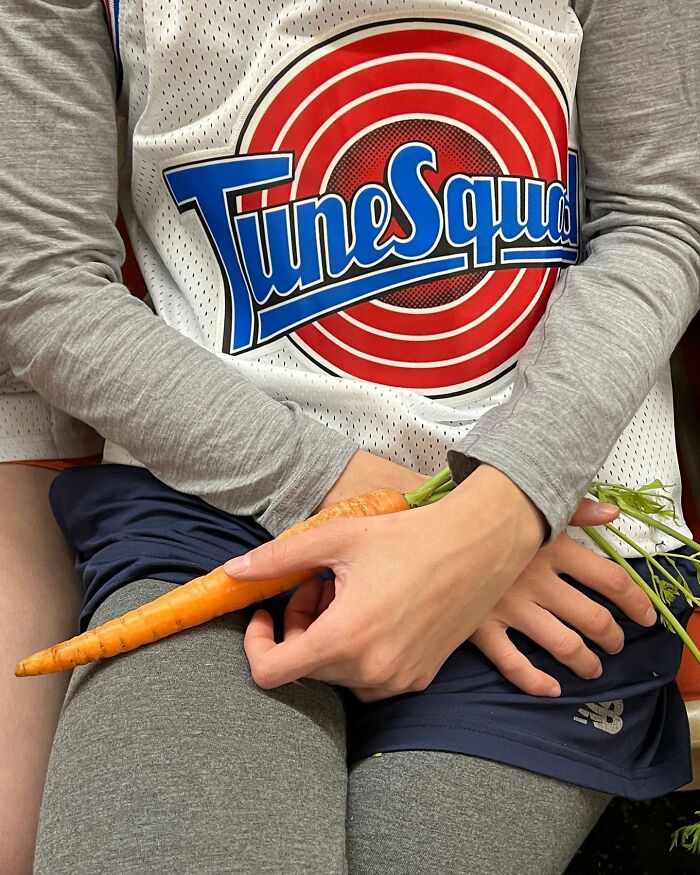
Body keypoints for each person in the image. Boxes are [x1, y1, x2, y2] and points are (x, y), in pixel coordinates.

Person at [0, 1, 698, 873]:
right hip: (213, 509)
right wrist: (428, 522)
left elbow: (659, 214)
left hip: (554, 536)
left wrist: (505, 507)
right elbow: (41, 281)